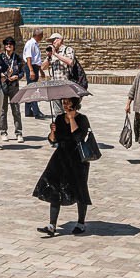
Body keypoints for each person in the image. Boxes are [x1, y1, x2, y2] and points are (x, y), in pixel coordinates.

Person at [33, 97, 93, 237]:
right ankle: (52, 225)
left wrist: (72, 119)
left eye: (68, 102)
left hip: (77, 160)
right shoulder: (59, 119)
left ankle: (81, 223)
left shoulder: (82, 119)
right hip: (60, 159)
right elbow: (53, 140)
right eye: (63, 102)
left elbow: (79, 137)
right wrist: (52, 131)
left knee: (79, 189)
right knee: (54, 188)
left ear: (75, 103)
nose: (65, 104)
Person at [42, 33, 76, 117]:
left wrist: (56, 54)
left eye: (53, 40)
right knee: (58, 112)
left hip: (66, 85)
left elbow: (70, 62)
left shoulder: (68, 50)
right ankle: (60, 127)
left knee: (69, 109)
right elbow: (43, 67)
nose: (52, 42)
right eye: (51, 41)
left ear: (60, 40)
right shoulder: (52, 53)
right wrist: (49, 57)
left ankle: (69, 128)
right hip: (54, 85)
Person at [0, 37, 24, 143]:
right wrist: (4, 75)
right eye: (6, 44)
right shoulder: (0, 57)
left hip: (14, 86)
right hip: (3, 86)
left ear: (13, 46)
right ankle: (3, 132)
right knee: (3, 111)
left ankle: (19, 133)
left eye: (10, 44)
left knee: (16, 110)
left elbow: (22, 72)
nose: (8, 46)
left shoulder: (18, 58)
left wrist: (17, 77)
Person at [22, 29, 45, 118]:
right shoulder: (30, 44)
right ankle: (36, 112)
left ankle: (28, 111)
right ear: (38, 35)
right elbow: (29, 58)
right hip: (30, 67)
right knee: (33, 89)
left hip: (35, 67)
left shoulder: (35, 44)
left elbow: (37, 59)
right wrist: (31, 70)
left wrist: (40, 70)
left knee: (30, 88)